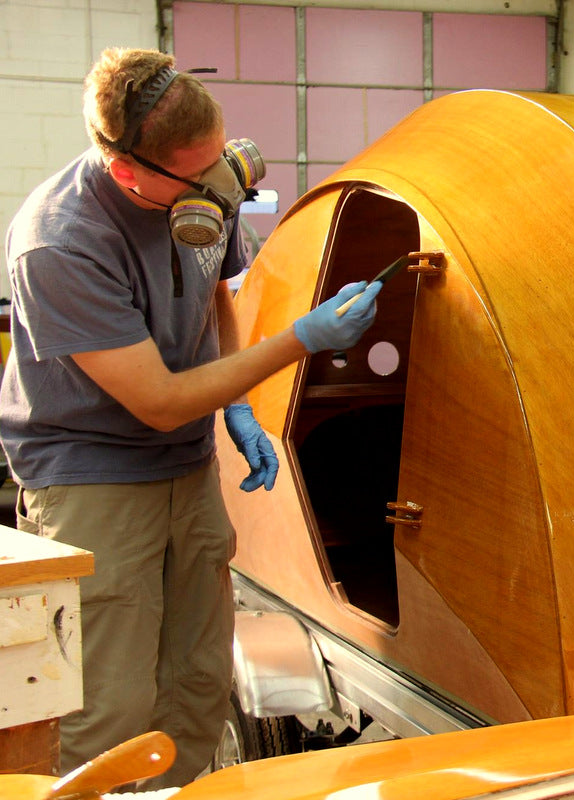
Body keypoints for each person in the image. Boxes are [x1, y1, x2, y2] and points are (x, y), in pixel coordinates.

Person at [0, 47, 382, 785]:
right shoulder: (61, 242)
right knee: (108, 707)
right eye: (198, 174)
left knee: (197, 687)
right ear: (128, 172)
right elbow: (158, 400)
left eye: (219, 163)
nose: (220, 187)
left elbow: (215, 294)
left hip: (186, 463)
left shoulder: (202, 193)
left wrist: (236, 403)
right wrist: (301, 340)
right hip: (93, 476)